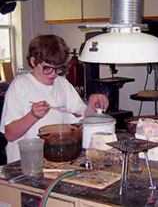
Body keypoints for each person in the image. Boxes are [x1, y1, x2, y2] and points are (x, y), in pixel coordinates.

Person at [0, 34, 109, 163]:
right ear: (33, 61)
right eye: (47, 68)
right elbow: (10, 135)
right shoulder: (20, 86)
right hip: (24, 165)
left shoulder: (62, 83)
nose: (53, 74)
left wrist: (92, 105)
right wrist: (33, 116)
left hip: (54, 162)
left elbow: (81, 120)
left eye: (58, 69)